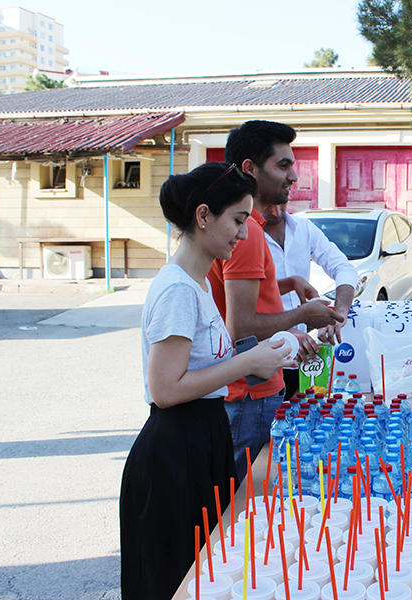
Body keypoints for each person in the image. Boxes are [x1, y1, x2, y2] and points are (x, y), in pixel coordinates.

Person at [120, 162, 295, 600]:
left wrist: (258, 359)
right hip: (175, 453)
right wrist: (245, 362)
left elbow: (202, 364)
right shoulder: (178, 290)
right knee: (180, 579)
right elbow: (166, 390)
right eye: (237, 220)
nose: (243, 233)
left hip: (201, 439)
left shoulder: (196, 283)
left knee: (210, 572)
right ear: (203, 216)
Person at [208, 120, 344, 476]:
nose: (293, 177)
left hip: (247, 387)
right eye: (283, 166)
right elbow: (241, 327)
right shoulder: (247, 233)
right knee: (244, 497)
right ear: (250, 169)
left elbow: (242, 294)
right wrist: (304, 316)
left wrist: (288, 283)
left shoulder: (242, 226)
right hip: (249, 391)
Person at [254, 123, 357, 399]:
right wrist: (288, 330)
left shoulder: (304, 229)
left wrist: (339, 313)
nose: (293, 178)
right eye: (283, 167)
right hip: (260, 366)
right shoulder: (241, 236)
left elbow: (343, 268)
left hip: (301, 361)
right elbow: (240, 314)